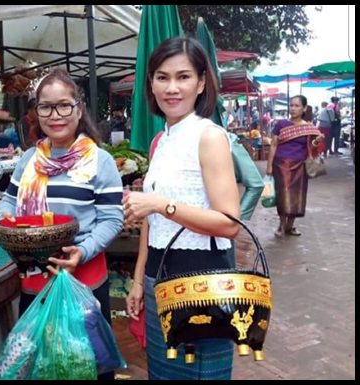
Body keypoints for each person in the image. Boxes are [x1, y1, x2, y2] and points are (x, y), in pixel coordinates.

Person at [123, 36, 240, 381]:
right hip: (159, 276)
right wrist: (138, 281)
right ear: (151, 84)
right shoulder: (162, 140)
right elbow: (150, 220)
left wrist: (162, 204)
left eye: (183, 77)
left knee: (199, 374)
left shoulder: (209, 137)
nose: (172, 88)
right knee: (163, 373)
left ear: (202, 82)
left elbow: (230, 223)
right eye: (162, 77)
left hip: (200, 281)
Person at [0, 69, 124, 380]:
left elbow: (111, 219)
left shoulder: (99, 161)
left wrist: (81, 251)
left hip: (83, 284)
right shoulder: (29, 160)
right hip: (35, 282)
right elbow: (9, 202)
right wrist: (6, 225)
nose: (55, 115)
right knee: (40, 367)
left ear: (78, 109)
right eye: (46, 106)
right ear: (36, 111)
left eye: (64, 105)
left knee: (86, 366)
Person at [267, 96, 325, 238]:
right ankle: (281, 225)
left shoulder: (308, 127)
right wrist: (269, 165)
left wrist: (316, 141)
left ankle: (290, 226)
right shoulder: (281, 124)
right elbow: (273, 145)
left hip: (300, 165)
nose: (293, 108)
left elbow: (311, 148)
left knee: (297, 195)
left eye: (297, 106)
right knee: (282, 195)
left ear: (304, 108)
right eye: (291, 105)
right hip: (281, 164)